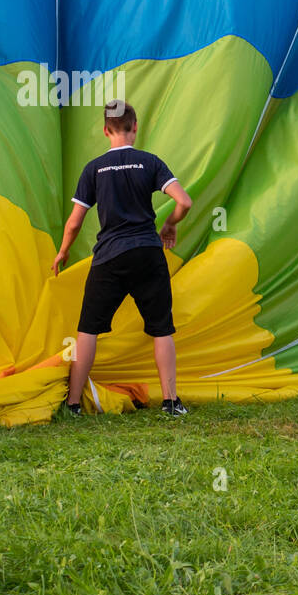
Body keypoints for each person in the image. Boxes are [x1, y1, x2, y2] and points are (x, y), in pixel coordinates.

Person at [53, 102, 192, 417]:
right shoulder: (150, 162)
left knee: (88, 329)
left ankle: (73, 405)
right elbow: (184, 201)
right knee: (162, 329)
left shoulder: (94, 168)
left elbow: (74, 223)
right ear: (135, 127)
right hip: (148, 252)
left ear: (105, 130)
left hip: (109, 257)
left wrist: (63, 251)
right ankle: (171, 402)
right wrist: (170, 225)